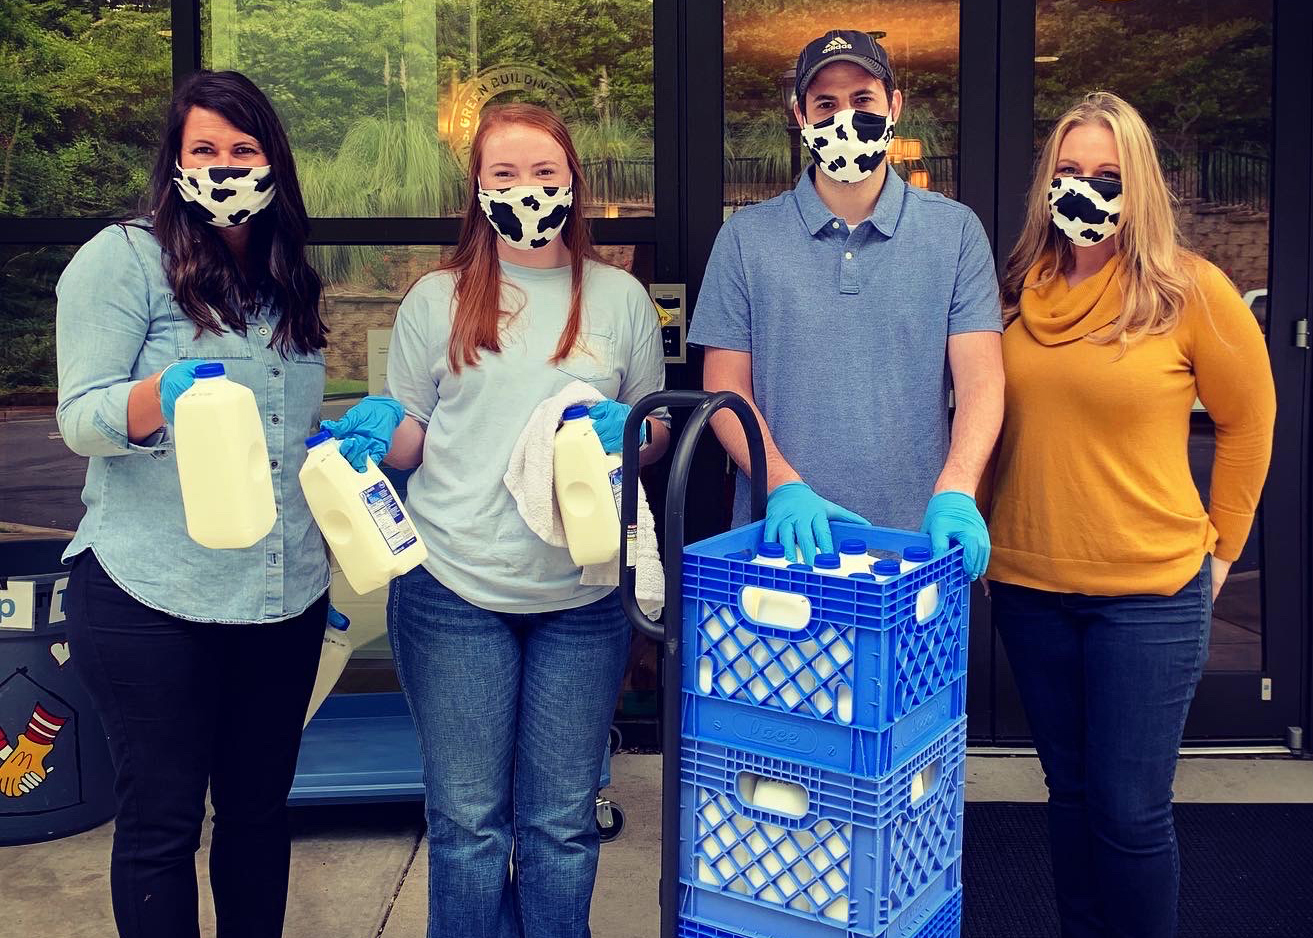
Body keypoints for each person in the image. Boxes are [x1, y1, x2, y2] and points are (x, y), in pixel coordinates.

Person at [320, 103, 669, 938]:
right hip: (452, 590)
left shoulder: (618, 298)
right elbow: (412, 437)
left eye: (543, 173)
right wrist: (378, 429)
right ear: (476, 189)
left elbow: (651, 432)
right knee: (469, 827)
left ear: (572, 182)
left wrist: (633, 431)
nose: (525, 190)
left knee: (560, 824)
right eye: (504, 175)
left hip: (581, 600)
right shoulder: (435, 300)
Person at [983, 91, 1276, 938]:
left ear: (1139, 185)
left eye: (1106, 175)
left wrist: (1222, 551)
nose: (1084, 189)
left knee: (1129, 810)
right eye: (1068, 172)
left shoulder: (1190, 291)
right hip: (1031, 590)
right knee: (1069, 796)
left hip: (1149, 598)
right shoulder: (1016, 290)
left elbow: (1247, 421)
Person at [55, 71, 331, 938]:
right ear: (173, 163)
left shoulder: (287, 277)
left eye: (242, 149)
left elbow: (288, 430)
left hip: (280, 595)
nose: (223, 165)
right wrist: (156, 395)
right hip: (151, 594)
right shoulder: (123, 258)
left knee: (257, 817)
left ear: (272, 161)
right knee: (162, 826)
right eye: (202, 150)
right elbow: (78, 418)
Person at [688, 29, 1003, 574]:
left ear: (894, 106)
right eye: (825, 104)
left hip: (914, 551)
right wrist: (784, 487)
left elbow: (981, 380)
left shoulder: (954, 232)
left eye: (862, 100)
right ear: (800, 116)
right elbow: (724, 384)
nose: (844, 117)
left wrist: (956, 490)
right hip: (777, 545)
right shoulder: (745, 237)